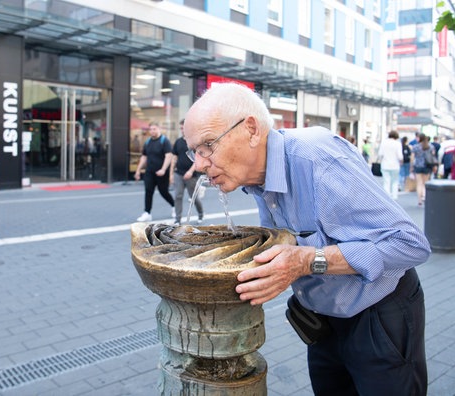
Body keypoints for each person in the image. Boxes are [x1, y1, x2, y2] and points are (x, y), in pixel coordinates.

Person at [183, 83, 431, 395]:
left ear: (250, 129)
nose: (199, 164)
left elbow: (410, 243)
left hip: (378, 314)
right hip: (323, 321)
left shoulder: (318, 159)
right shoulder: (255, 178)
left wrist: (307, 261)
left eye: (209, 145)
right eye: (194, 151)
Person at [134, 122, 176, 222]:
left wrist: (163, 169)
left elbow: (169, 156)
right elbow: (144, 157)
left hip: (162, 173)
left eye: (154, 129)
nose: (152, 131)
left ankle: (174, 206)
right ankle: (147, 213)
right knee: (148, 191)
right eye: (151, 129)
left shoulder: (164, 141)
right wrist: (138, 170)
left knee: (163, 192)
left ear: (159, 129)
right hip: (150, 172)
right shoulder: (148, 142)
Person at [170, 120, 204, 226]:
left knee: (193, 197)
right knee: (178, 196)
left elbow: (198, 159)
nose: (182, 130)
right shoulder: (178, 141)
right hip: (178, 174)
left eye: (183, 128)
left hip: (192, 175)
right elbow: (174, 157)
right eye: (180, 128)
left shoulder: (194, 142)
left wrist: (190, 171)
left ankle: (201, 214)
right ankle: (177, 219)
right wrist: (171, 173)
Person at [410, 133, 437, 206]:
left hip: (418, 166)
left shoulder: (415, 147)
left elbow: (412, 158)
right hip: (427, 166)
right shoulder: (430, 146)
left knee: (419, 183)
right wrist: (434, 166)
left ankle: (419, 200)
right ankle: (425, 196)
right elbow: (433, 157)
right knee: (425, 183)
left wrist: (411, 166)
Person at [377, 130, 403, 199]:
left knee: (386, 181)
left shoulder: (384, 142)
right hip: (395, 165)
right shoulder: (397, 143)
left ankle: (387, 196)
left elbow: (380, 154)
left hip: (385, 164)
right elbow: (400, 156)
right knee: (395, 181)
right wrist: (401, 162)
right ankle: (394, 196)